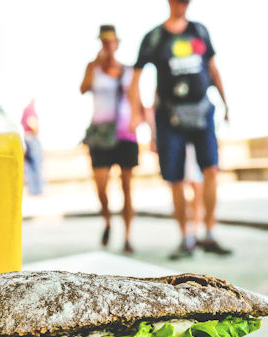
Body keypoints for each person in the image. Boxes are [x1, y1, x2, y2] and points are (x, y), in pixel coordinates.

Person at [129, 0, 232, 260]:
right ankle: (186, 237)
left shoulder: (199, 31)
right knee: (174, 178)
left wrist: (226, 103)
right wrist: (137, 113)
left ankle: (209, 232)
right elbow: (136, 78)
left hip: (201, 110)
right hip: (168, 115)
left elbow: (213, 69)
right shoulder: (154, 37)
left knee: (211, 169)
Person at [80, 25, 140, 253]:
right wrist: (96, 63)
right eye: (103, 41)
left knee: (127, 187)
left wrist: (141, 122)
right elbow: (83, 88)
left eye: (110, 41)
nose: (107, 45)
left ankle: (127, 237)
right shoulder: (92, 68)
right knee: (102, 186)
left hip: (125, 132)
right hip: (100, 131)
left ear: (117, 43)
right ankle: (107, 220)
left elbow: (136, 99)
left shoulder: (128, 70)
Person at [21, 98, 44, 196]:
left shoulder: (26, 109)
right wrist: (36, 133)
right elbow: (31, 121)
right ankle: (38, 191)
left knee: (30, 165)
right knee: (36, 164)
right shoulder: (31, 108)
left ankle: (32, 190)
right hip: (32, 137)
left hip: (26, 136)